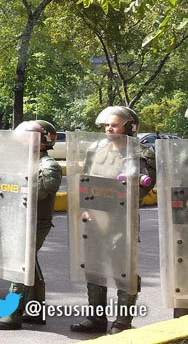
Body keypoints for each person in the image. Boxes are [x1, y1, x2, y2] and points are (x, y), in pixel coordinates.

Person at [70, 106, 155, 334]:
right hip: (95, 217)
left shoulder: (139, 153)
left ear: (129, 127)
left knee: (122, 268)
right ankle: (96, 318)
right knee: (93, 267)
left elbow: (143, 188)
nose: (109, 128)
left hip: (121, 217)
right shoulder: (96, 148)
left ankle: (123, 321)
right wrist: (85, 208)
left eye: (115, 124)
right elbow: (86, 179)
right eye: (107, 124)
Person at [0, 120, 62, 330]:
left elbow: (43, 191)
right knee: (29, 261)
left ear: (41, 141)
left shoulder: (47, 164)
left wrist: (20, 190)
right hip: (20, 217)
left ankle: (12, 313)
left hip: (35, 220)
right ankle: (35, 310)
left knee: (21, 262)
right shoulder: (24, 161)